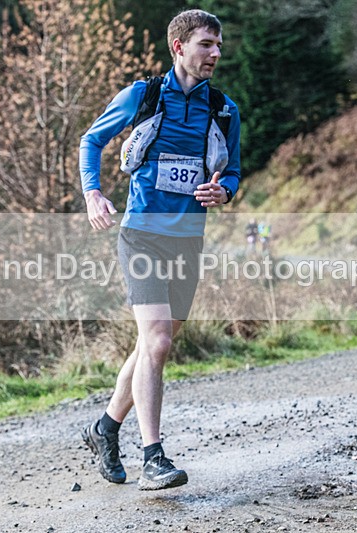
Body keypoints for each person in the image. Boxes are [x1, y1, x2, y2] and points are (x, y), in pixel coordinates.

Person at [78, 9, 240, 490]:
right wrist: (93, 192)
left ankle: (105, 427)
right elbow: (92, 140)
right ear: (179, 47)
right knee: (160, 344)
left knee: (151, 343)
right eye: (206, 44)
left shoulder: (223, 109)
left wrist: (224, 192)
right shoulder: (143, 96)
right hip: (143, 234)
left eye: (218, 45)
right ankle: (154, 456)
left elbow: (231, 171)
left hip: (188, 239)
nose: (215, 53)